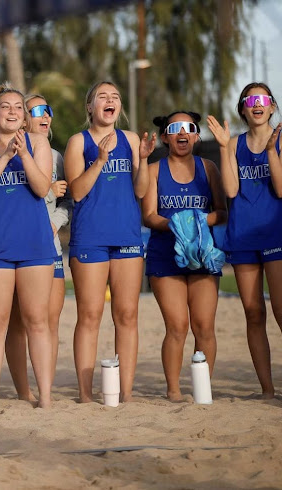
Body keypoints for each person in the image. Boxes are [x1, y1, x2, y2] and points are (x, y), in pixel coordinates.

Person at [0, 82, 57, 413]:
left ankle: (44, 397)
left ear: (24, 116)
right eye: (5, 106)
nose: (12, 111)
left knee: (37, 321)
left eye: (18, 107)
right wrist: (6, 156)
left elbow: (41, 187)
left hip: (34, 243)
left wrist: (23, 155)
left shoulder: (39, 143)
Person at [64, 81, 155, 403]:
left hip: (127, 236)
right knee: (89, 316)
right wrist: (100, 160)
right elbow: (76, 192)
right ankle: (86, 394)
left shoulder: (131, 140)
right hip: (90, 237)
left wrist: (143, 160)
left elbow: (142, 191)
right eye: (102, 96)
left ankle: (125, 393)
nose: (110, 100)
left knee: (127, 315)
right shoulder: (79, 142)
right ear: (90, 107)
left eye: (115, 96)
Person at [142, 111, 227, 401]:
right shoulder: (155, 170)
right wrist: (179, 224)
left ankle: (202, 389)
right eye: (175, 128)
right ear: (165, 136)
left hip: (202, 254)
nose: (182, 133)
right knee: (177, 326)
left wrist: (198, 222)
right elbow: (149, 216)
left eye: (189, 128)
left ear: (195, 135)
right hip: (165, 255)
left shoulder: (209, 168)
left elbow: (223, 212)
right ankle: (174, 390)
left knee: (203, 326)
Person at [208, 83, 282, 398]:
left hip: (275, 234)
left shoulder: (279, 140)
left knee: (280, 310)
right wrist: (224, 148)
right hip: (242, 237)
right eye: (251, 99)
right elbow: (232, 190)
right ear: (243, 109)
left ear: (273, 107)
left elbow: (280, 190)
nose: (257, 104)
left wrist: (269, 152)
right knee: (253, 312)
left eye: (263, 99)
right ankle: (267, 390)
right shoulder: (234, 144)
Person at [4, 94, 73, 401]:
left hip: (49, 245)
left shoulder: (57, 157)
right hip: (16, 246)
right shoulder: (5, 150)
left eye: (49, 109)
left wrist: (55, 221)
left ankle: (46, 388)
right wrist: (47, 192)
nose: (46, 115)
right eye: (37, 110)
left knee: (48, 320)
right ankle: (24, 392)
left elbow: (68, 201)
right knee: (17, 322)